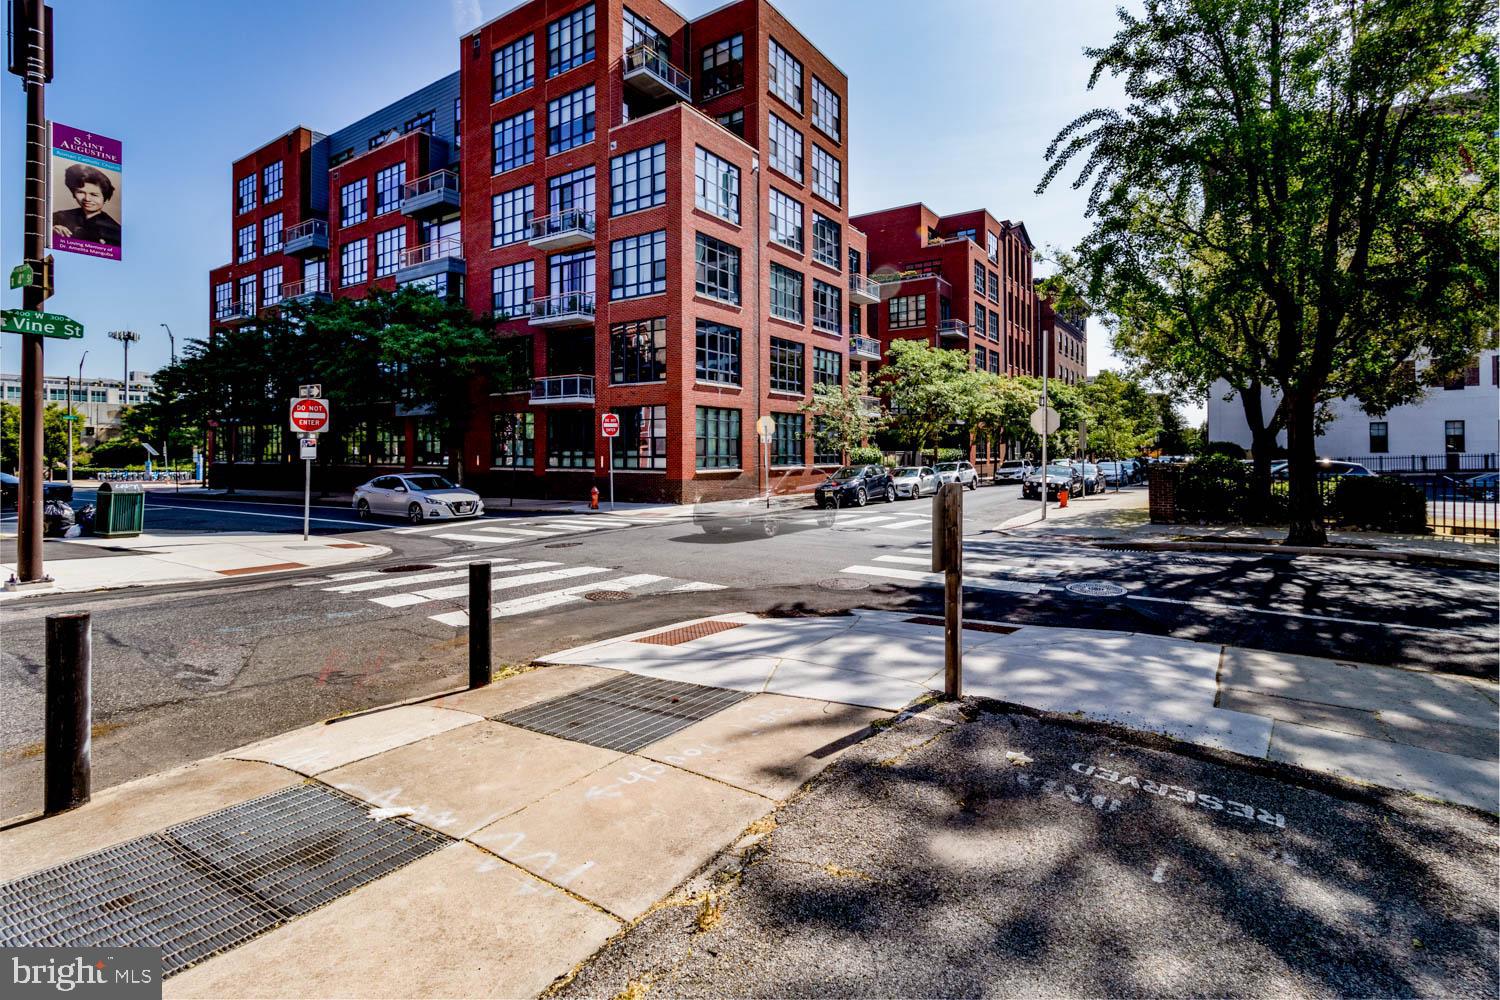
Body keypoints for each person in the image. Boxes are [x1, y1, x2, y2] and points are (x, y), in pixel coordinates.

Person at [52, 163, 121, 247]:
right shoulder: (59, 216)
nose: (87, 199)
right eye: (81, 192)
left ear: (105, 198)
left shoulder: (115, 230)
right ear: (73, 193)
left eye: (94, 194)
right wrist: (51, 230)